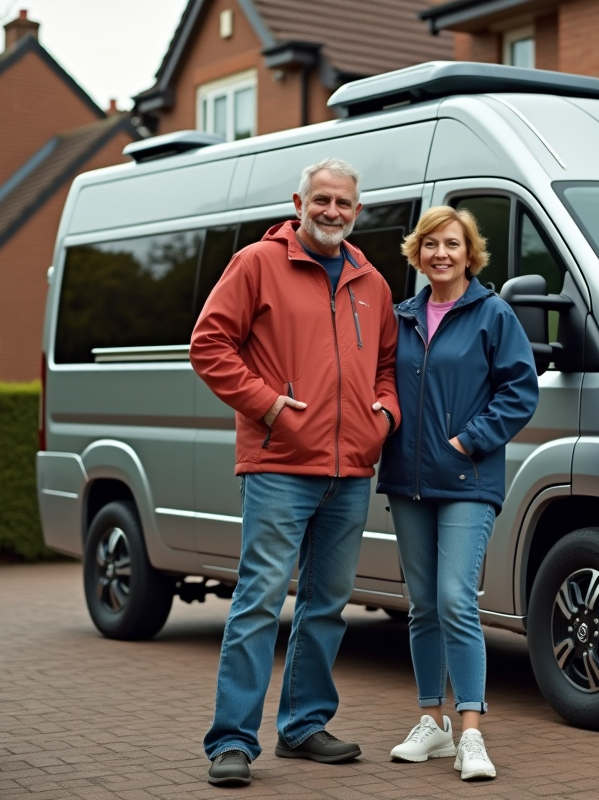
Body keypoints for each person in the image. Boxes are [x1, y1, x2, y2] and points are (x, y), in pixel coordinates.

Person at [191, 157, 399, 787]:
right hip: (280, 463)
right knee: (258, 603)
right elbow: (208, 344)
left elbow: (388, 365)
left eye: (343, 203)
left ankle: (304, 726)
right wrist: (269, 406)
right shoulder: (257, 263)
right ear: (299, 201)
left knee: (327, 605)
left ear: (357, 212)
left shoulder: (373, 283)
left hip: (351, 470)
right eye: (322, 200)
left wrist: (383, 416)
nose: (332, 211)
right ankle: (231, 741)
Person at [376, 206, 539, 781]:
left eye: (452, 244)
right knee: (422, 605)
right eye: (430, 245)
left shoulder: (493, 315)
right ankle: (432, 722)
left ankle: (471, 731)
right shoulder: (401, 317)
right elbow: (381, 382)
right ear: (417, 254)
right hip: (408, 481)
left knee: (454, 599)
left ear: (471, 254)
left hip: (468, 480)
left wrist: (471, 440)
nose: (440, 254)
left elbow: (521, 390)